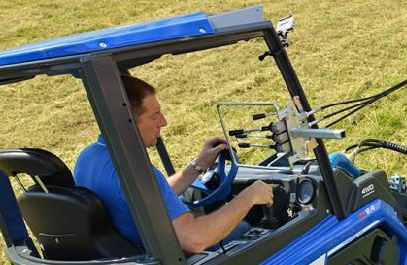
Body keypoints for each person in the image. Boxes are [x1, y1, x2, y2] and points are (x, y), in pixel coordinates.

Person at [74, 74, 273, 254]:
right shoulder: (135, 172)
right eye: (154, 116)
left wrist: (196, 167)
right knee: (246, 229)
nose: (164, 121)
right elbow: (195, 239)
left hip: (131, 258)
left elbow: (147, 200)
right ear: (127, 122)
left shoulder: (88, 157)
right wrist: (250, 196)